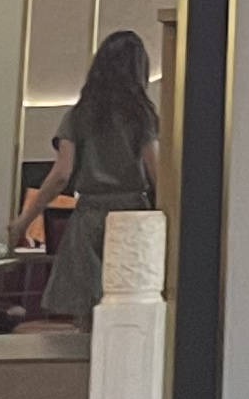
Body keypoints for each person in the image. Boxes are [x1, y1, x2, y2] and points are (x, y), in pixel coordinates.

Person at [30, 27, 158, 318]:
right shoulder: (141, 117)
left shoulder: (78, 116)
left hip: (88, 217)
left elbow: (61, 174)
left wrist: (25, 219)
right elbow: (156, 173)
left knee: (87, 313)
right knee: (129, 308)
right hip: (132, 218)